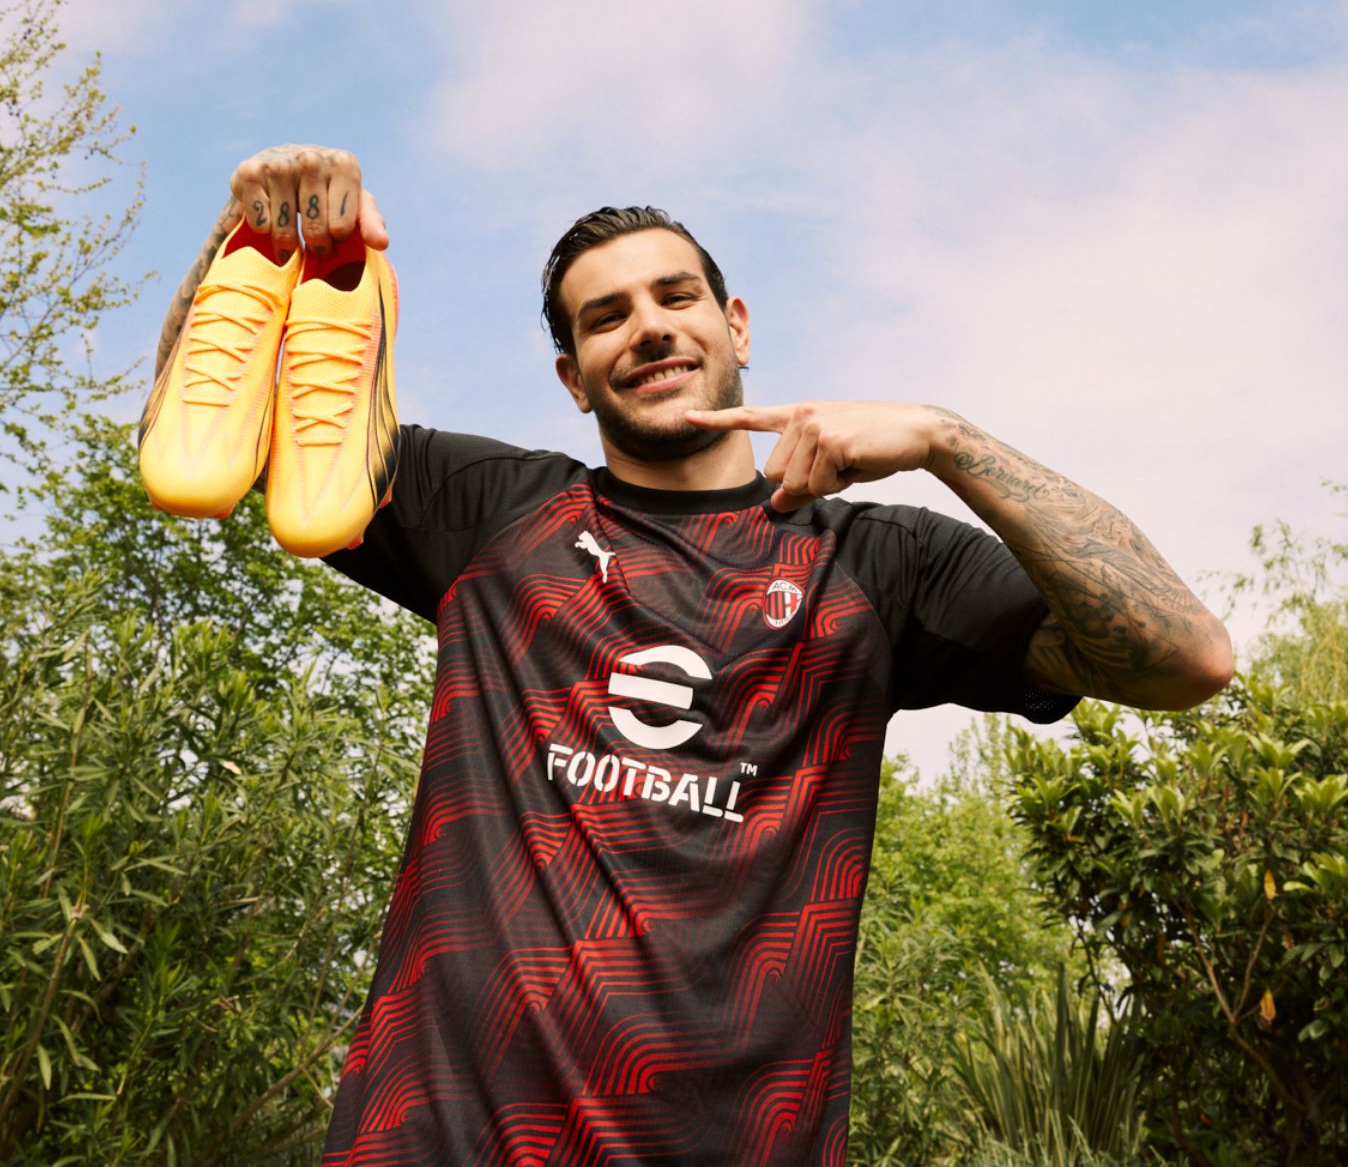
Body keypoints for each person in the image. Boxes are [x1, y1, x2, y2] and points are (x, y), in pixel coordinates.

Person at [155, 144, 1233, 1165]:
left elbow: (1184, 659)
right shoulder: (489, 516)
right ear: (573, 377)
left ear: (736, 324)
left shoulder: (878, 563)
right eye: (606, 317)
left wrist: (951, 442)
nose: (648, 329)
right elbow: (203, 434)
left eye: (674, 297)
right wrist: (252, 235)